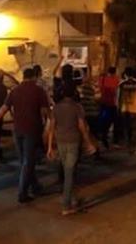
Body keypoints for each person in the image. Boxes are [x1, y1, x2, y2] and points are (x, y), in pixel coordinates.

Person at [0, 68, 50, 203]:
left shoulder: (14, 91)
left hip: (17, 130)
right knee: (28, 162)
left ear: (23, 77)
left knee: (25, 161)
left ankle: (35, 186)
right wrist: (49, 125)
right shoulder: (39, 91)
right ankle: (22, 193)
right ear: (34, 77)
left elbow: (4, 108)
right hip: (32, 130)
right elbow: (45, 111)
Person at [46, 86, 95, 216]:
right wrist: (88, 142)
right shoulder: (77, 107)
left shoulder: (56, 107)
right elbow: (82, 126)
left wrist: (50, 146)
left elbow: (52, 127)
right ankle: (66, 205)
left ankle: (72, 199)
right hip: (73, 141)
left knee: (68, 171)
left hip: (60, 141)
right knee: (69, 173)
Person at [117, 67, 136, 154]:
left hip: (124, 109)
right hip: (135, 110)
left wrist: (118, 108)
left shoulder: (121, 84)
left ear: (125, 74)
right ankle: (132, 148)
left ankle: (128, 145)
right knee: (134, 130)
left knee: (127, 129)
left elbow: (118, 98)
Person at [98, 66, 119, 148]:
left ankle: (104, 137)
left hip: (103, 103)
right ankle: (114, 141)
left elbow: (99, 89)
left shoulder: (102, 79)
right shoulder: (116, 80)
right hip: (113, 104)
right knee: (115, 122)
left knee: (105, 122)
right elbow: (117, 92)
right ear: (114, 72)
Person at [79, 70, 100, 144]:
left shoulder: (81, 90)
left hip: (85, 114)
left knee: (84, 133)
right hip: (93, 114)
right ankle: (95, 149)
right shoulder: (93, 89)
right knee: (93, 133)